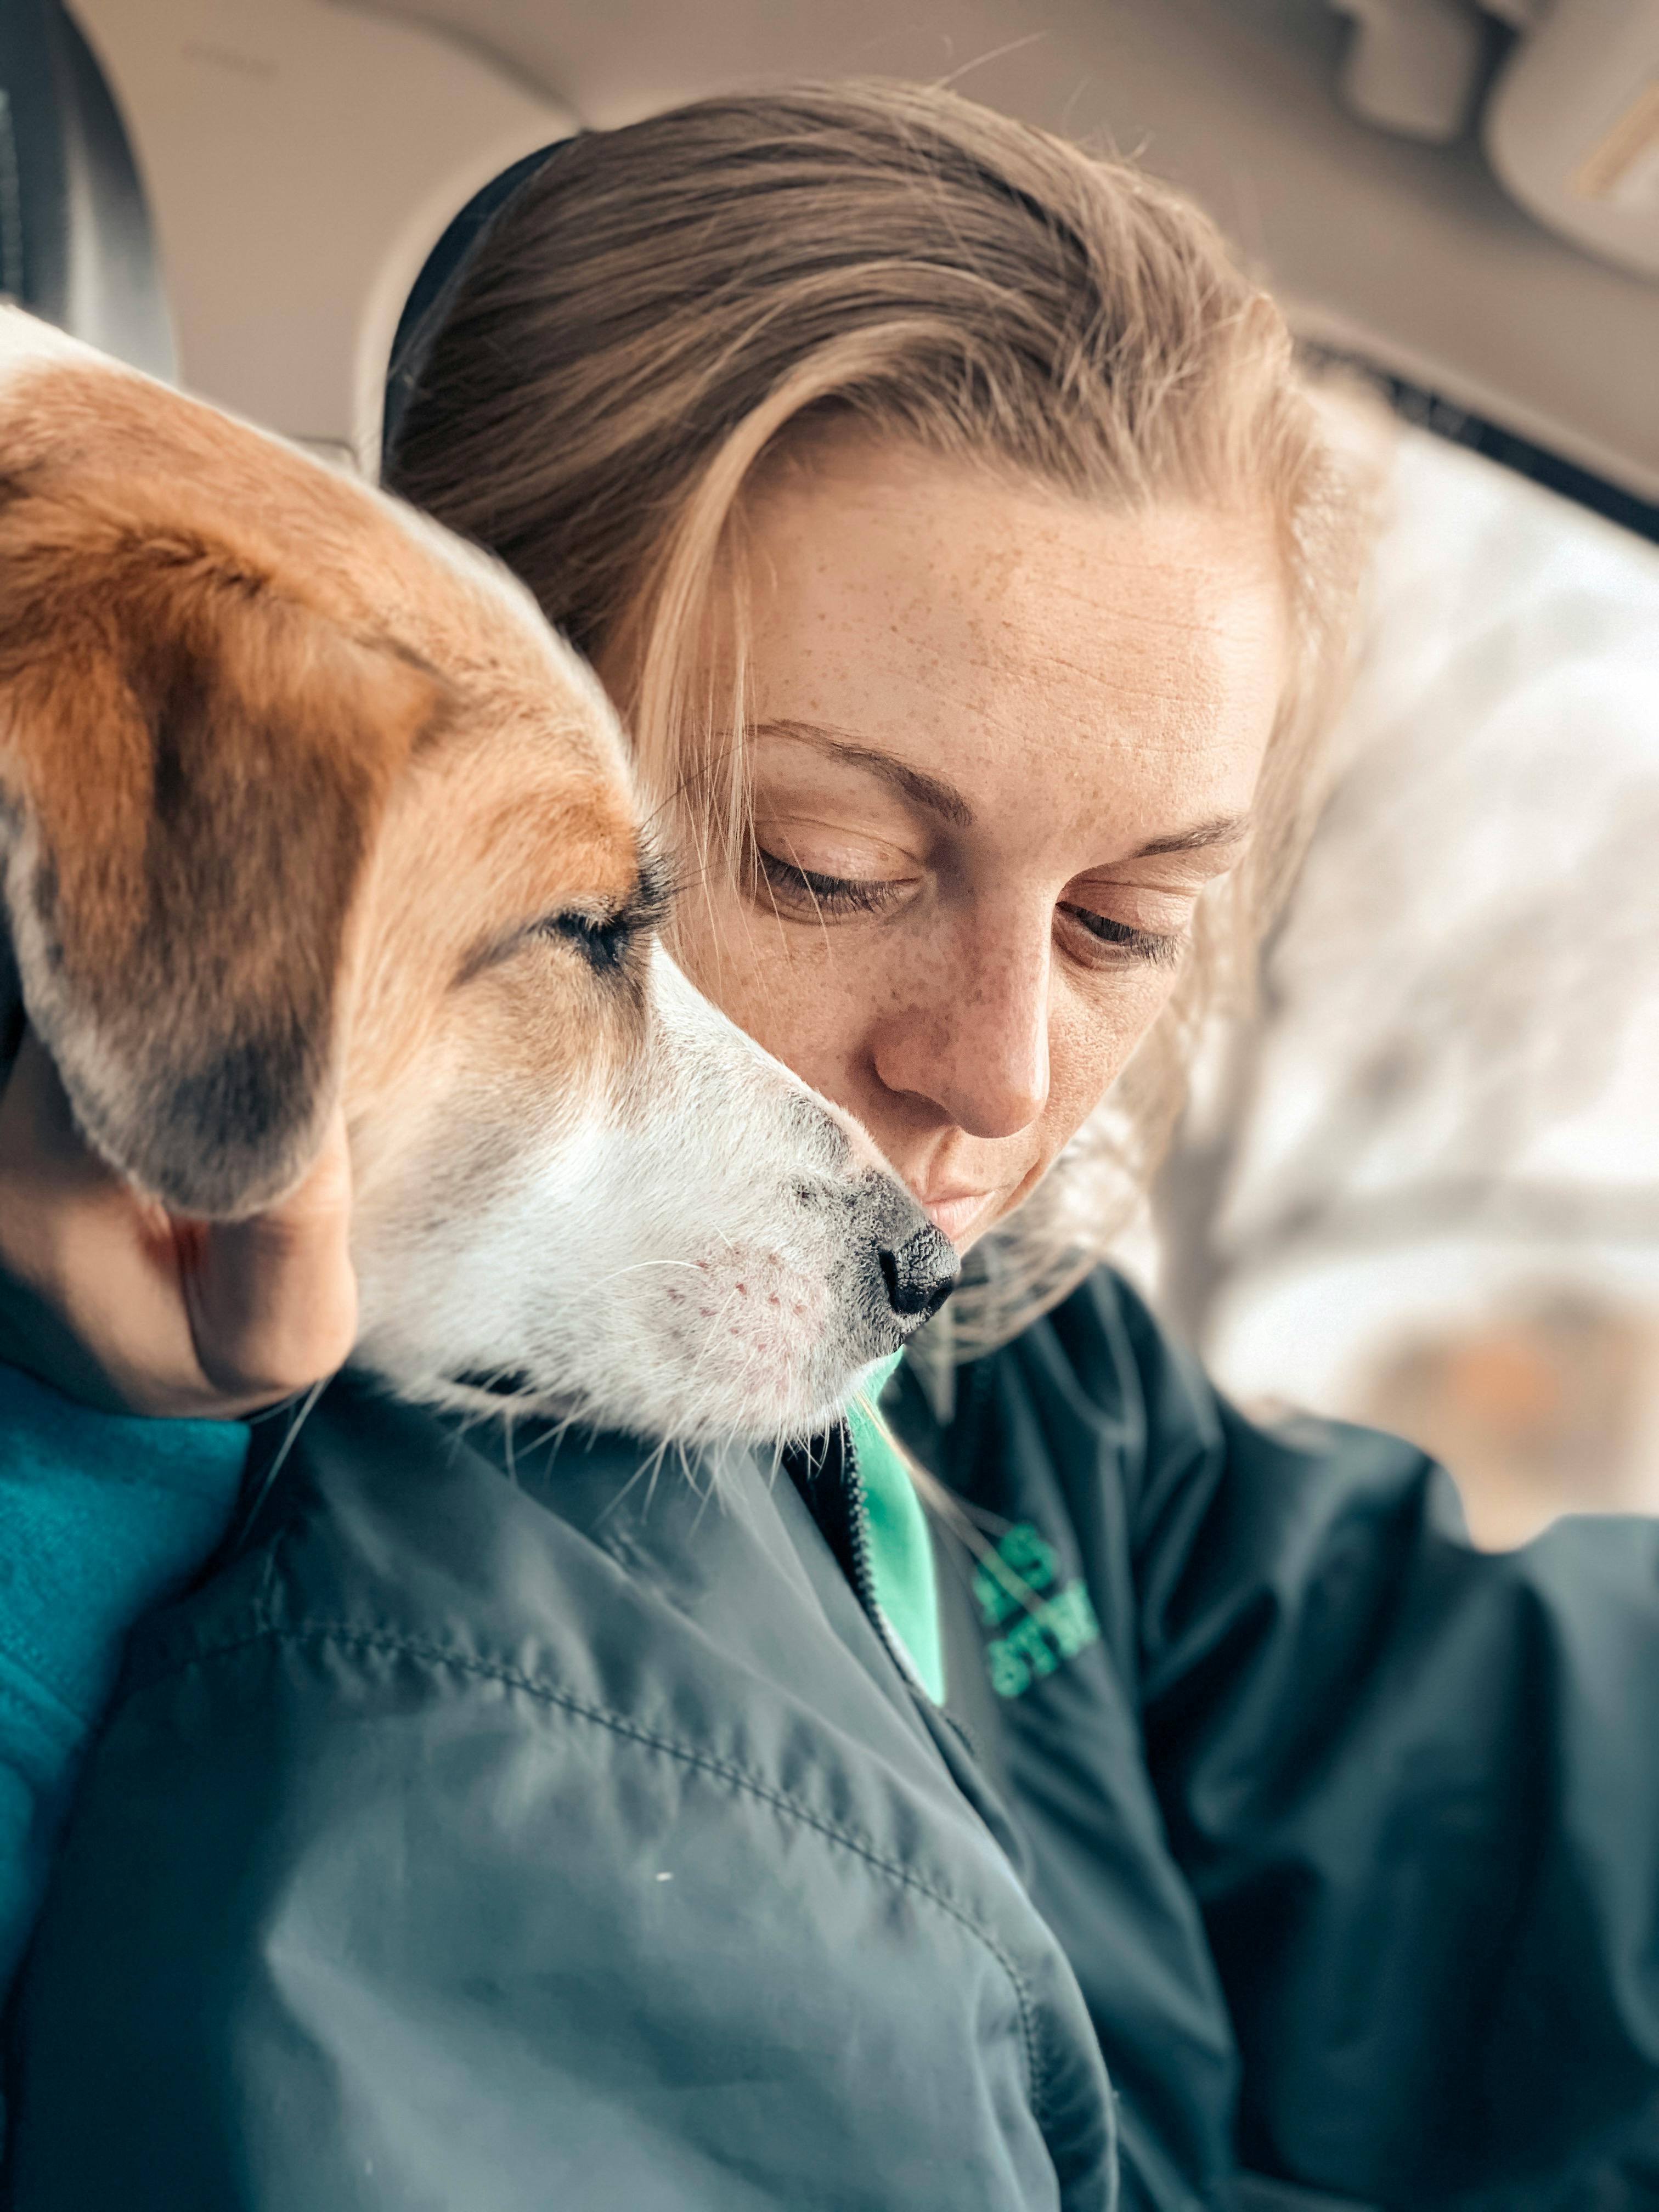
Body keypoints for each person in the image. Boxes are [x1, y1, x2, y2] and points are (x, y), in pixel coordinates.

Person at [1, 81, 1656, 2212]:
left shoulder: (1010, 1384)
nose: (998, 1075)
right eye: (825, 863)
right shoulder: (483, 1668)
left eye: (1127, 922)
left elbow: (1479, 1765)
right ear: (522, 721)